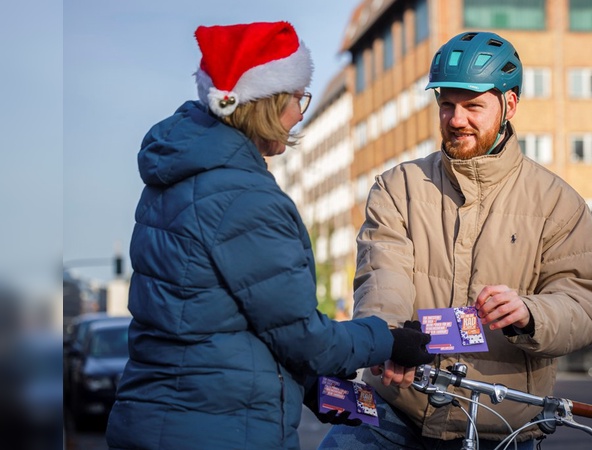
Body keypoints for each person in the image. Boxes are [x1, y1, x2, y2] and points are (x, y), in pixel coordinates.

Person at [104, 21, 433, 450]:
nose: (301, 113)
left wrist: (313, 387)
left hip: (164, 415)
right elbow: (304, 336)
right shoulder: (242, 196)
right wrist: (388, 338)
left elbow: (227, 322)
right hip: (217, 429)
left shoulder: (181, 176)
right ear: (268, 103)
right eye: (298, 98)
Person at [319, 31, 592, 449]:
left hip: (500, 423)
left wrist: (529, 312)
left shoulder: (558, 203)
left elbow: (583, 305)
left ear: (510, 104)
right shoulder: (398, 186)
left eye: (473, 106)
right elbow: (384, 276)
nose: (456, 119)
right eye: (447, 105)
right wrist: (389, 337)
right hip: (397, 408)